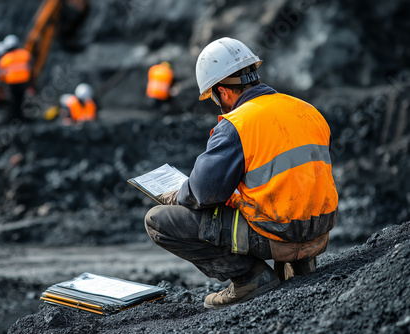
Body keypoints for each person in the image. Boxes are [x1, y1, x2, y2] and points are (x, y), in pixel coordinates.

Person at [144, 37, 339, 309]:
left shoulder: (237, 124)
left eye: (214, 97)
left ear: (223, 92)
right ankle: (300, 265)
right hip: (319, 234)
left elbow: (204, 193)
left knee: (157, 221)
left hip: (279, 235)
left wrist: (177, 195)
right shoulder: (308, 110)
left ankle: (250, 278)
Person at [0, 34, 32, 122]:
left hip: (12, 83)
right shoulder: (25, 54)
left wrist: (1, 83)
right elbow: (31, 66)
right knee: (21, 100)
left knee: (14, 101)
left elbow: (1, 75)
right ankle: (21, 117)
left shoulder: (5, 59)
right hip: (23, 82)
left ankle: (14, 117)